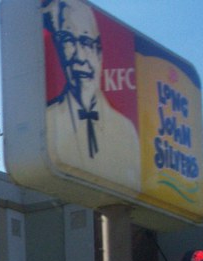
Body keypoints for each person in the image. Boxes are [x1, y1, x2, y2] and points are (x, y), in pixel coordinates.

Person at [44, 0, 141, 193]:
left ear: (99, 52)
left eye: (86, 42)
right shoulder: (48, 123)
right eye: (68, 40)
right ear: (57, 46)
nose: (80, 56)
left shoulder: (126, 131)